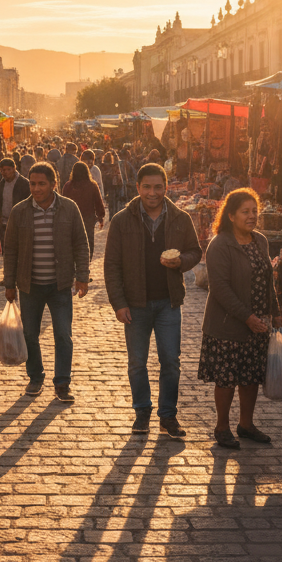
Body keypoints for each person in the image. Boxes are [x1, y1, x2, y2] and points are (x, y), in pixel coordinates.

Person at [104, 163, 201, 439]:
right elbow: (111, 265)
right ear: (137, 187)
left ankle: (168, 415)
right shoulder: (122, 220)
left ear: (166, 187)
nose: (152, 192)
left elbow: (195, 251)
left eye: (158, 187)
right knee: (137, 362)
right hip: (135, 304)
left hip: (168, 303)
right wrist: (118, 303)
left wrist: (181, 262)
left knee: (171, 361)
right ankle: (142, 412)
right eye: (147, 186)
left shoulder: (181, 218)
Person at [199, 188, 282, 449]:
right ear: (231, 215)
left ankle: (246, 424)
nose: (252, 216)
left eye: (255, 211)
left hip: (257, 324)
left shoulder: (260, 241)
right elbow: (220, 288)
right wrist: (247, 317)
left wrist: (275, 313)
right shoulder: (220, 244)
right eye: (245, 212)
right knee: (226, 379)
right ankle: (222, 427)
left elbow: (268, 280)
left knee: (250, 377)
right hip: (227, 325)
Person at [2, 162, 90, 402]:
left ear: (54, 184)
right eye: (32, 183)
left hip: (60, 286)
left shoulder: (69, 209)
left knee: (63, 335)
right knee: (30, 334)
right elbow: (10, 250)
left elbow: (81, 244)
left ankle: (62, 383)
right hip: (30, 286)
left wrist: (82, 276)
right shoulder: (20, 212)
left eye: (42, 184)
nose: (36, 188)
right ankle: (35, 377)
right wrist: (9, 283)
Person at [63, 161, 106, 256]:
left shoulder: (68, 186)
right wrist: (101, 217)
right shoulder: (92, 185)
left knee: (73, 240)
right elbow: (98, 202)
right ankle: (87, 259)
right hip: (88, 218)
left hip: (71, 219)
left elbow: (63, 203)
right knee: (88, 240)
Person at [0, 157, 31, 248]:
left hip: (20, 225)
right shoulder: (1, 185)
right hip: (4, 225)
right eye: (3, 170)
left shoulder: (24, 184)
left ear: (14, 169)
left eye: (8, 169)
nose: (6, 172)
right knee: (6, 251)